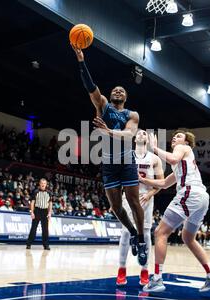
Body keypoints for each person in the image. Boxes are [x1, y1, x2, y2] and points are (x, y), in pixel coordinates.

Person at [73, 46, 147, 266]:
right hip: (108, 162)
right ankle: (133, 232)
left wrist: (107, 131)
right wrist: (81, 61)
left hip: (126, 160)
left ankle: (142, 239)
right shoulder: (103, 105)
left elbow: (129, 134)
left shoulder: (131, 114)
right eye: (115, 89)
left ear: (126, 97)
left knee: (133, 201)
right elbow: (90, 86)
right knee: (115, 207)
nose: (118, 91)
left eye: (122, 91)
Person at [140, 130, 210, 293]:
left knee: (160, 233)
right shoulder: (181, 164)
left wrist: (154, 148)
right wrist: (143, 180)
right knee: (187, 237)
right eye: (175, 136)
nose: (175, 137)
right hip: (201, 197)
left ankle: (157, 279)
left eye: (179, 136)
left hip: (190, 193)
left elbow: (172, 157)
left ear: (186, 142)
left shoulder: (183, 149)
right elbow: (164, 183)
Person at [117, 130, 164, 286]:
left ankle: (144, 271)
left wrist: (150, 194)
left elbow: (161, 183)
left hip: (146, 199)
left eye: (144, 133)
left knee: (145, 233)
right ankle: (121, 270)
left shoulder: (155, 159)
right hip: (129, 198)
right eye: (139, 133)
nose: (141, 134)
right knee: (125, 232)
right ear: (134, 138)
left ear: (147, 139)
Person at [26, 179, 52, 250]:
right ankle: (29, 244)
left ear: (46, 184)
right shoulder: (35, 192)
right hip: (37, 210)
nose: (43, 184)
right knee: (33, 228)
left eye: (44, 183)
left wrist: (49, 213)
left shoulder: (49, 193)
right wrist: (32, 212)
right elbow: (32, 203)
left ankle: (46, 245)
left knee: (45, 230)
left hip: (45, 211)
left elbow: (50, 203)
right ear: (39, 184)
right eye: (42, 183)